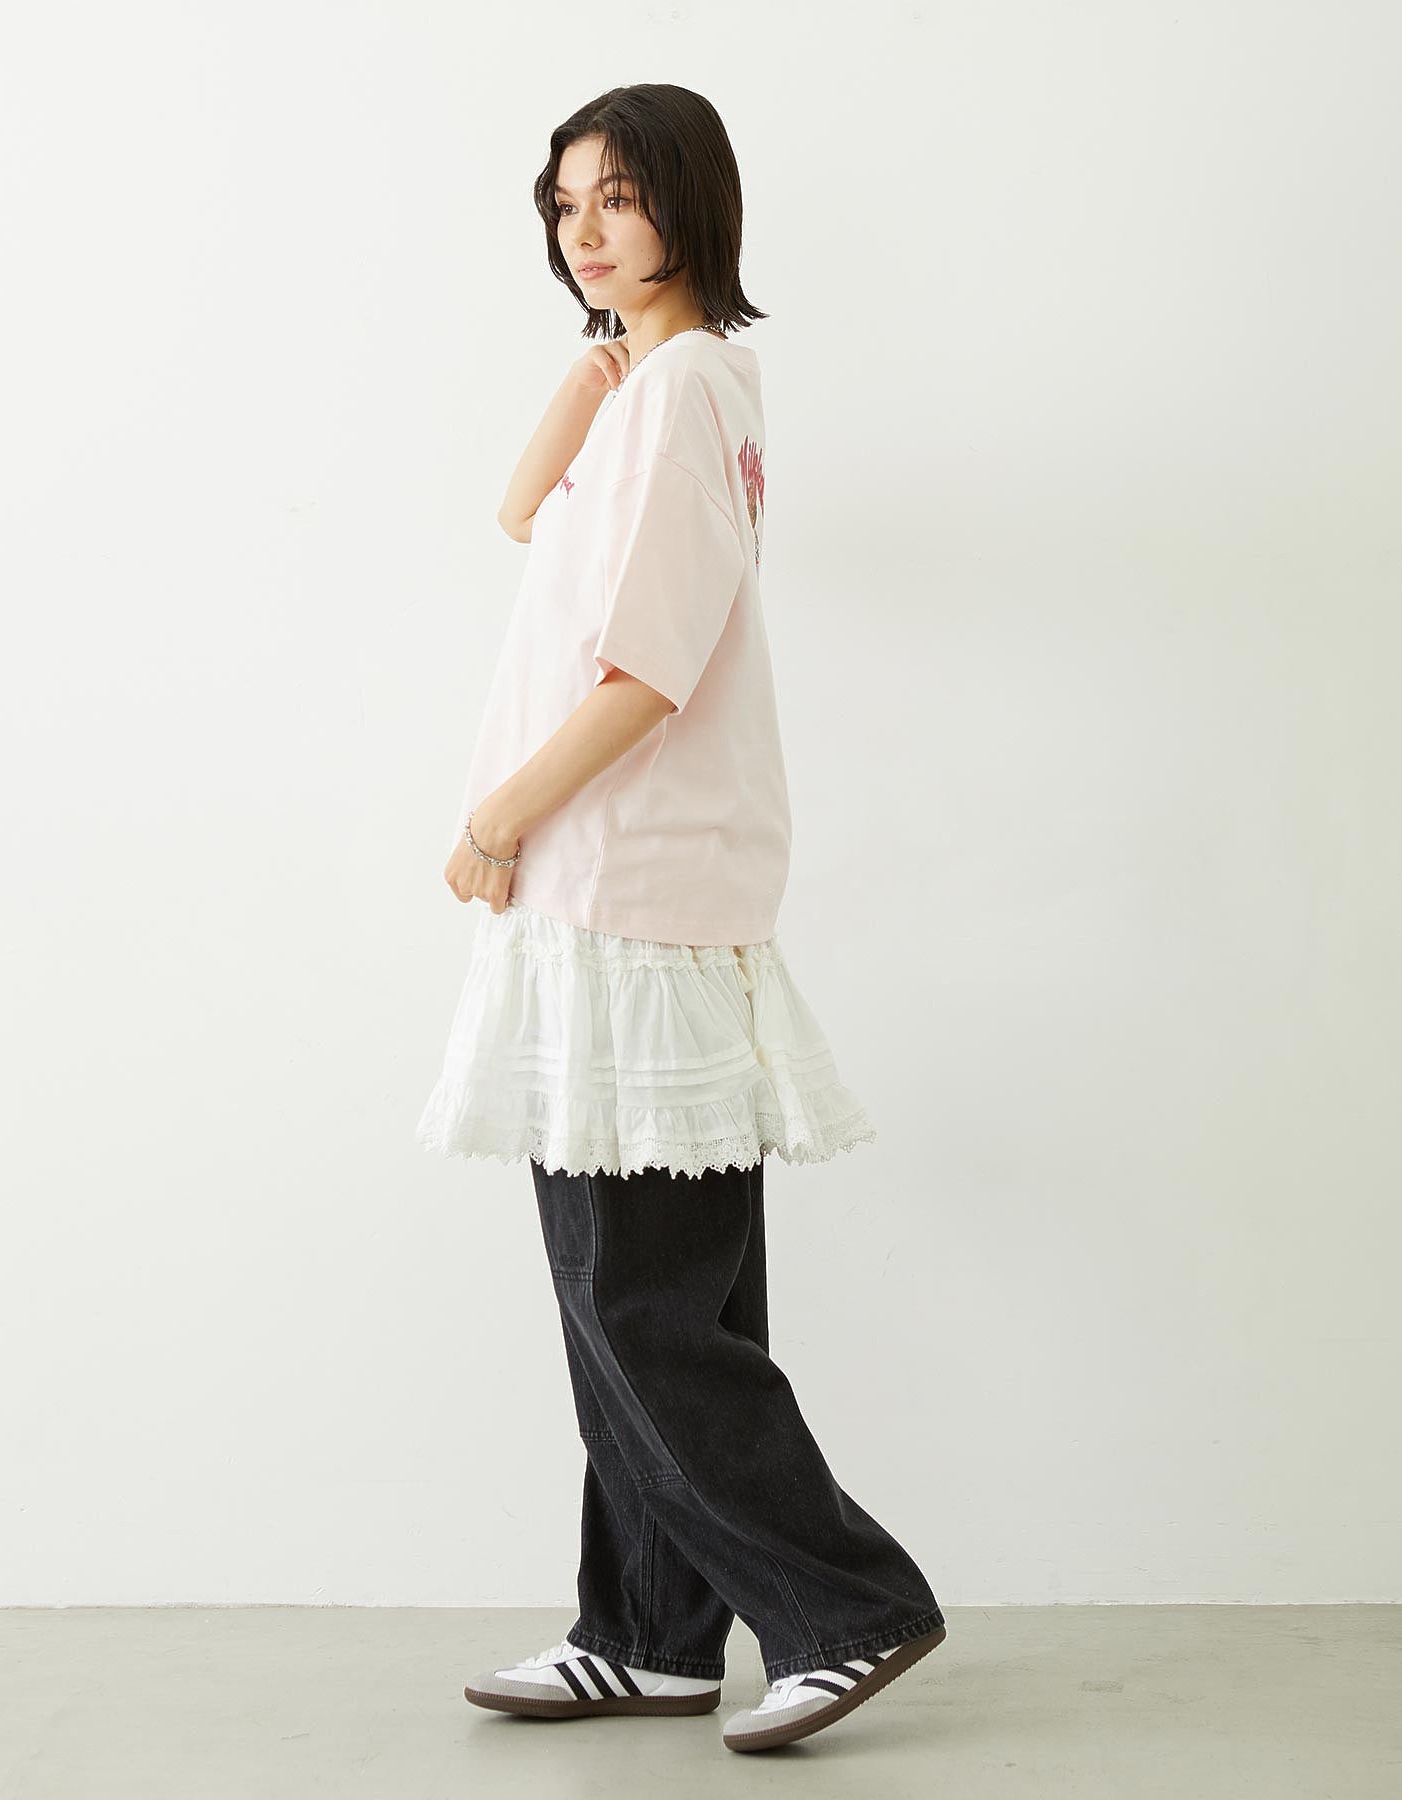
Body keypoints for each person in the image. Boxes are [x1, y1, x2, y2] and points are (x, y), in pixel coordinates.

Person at [417, 84, 945, 1753]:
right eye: (564, 201)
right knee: (653, 1300)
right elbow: (520, 514)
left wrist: (497, 816)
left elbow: (646, 672)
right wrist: (592, 366)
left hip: (623, 889)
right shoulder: (657, 386)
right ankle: (650, 1631)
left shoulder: (691, 388)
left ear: (692, 206)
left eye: (621, 198)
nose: (584, 228)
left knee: (637, 1304)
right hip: (624, 893)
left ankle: (850, 1605)